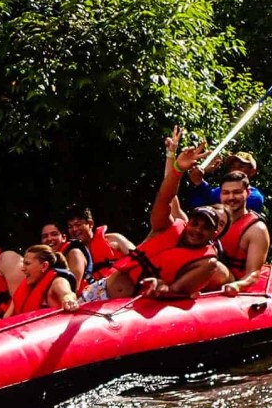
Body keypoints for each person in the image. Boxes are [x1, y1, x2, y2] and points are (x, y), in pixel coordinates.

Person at [84, 128, 225, 302]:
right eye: (195, 223)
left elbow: (176, 289)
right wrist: (177, 168)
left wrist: (159, 286)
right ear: (188, 223)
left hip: (129, 307)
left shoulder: (206, 262)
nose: (197, 230)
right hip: (101, 289)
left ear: (214, 234)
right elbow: (166, 198)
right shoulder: (166, 227)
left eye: (205, 228)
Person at [215, 170, 271, 295]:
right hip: (205, 275)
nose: (231, 197)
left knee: (213, 266)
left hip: (231, 280)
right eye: (226, 193)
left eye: (237, 192)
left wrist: (237, 285)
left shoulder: (257, 229)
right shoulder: (212, 218)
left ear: (248, 193)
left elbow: (253, 273)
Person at [1, 245, 79, 317]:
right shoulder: (24, 285)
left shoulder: (58, 282)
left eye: (27, 264)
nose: (23, 269)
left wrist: (68, 300)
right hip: (24, 327)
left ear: (44, 266)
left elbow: (67, 294)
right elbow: (7, 317)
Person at [66, 207, 133, 282]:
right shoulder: (72, 255)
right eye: (70, 227)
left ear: (90, 223)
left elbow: (139, 258)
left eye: (78, 224)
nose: (74, 229)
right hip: (92, 288)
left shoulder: (114, 239)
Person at [186, 150, 266, 213]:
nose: (235, 170)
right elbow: (197, 205)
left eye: (241, 167)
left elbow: (227, 206)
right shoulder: (219, 190)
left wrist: (200, 182)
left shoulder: (255, 196)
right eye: (232, 166)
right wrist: (203, 175)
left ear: (252, 172)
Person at [40, 222, 91, 292]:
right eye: (45, 236)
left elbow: (73, 289)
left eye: (54, 234)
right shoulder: (45, 263)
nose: (49, 238)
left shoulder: (74, 253)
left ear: (64, 238)